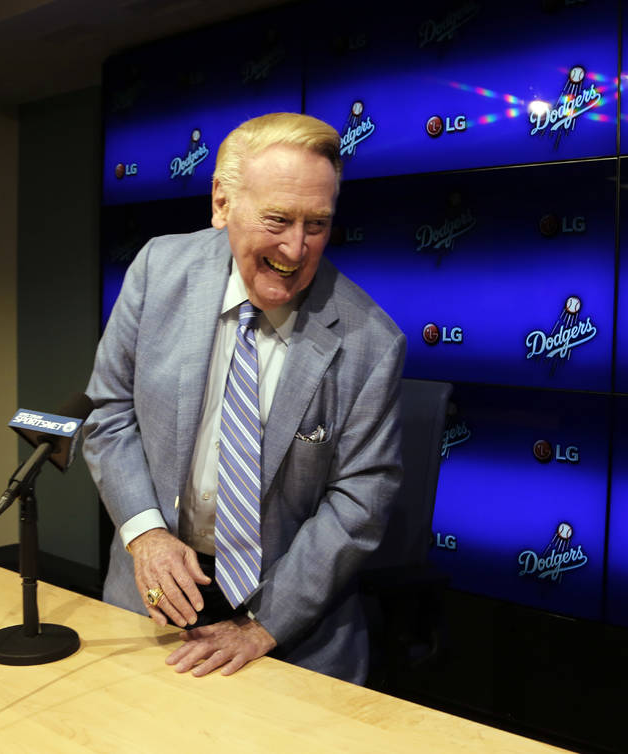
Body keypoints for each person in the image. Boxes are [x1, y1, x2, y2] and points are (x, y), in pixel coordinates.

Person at [83, 112, 406, 684]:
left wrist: (263, 624)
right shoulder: (158, 270)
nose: (296, 247)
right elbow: (111, 414)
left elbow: (361, 498)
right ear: (221, 202)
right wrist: (146, 535)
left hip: (295, 633)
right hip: (150, 596)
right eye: (278, 218)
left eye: (317, 224)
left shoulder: (371, 343)